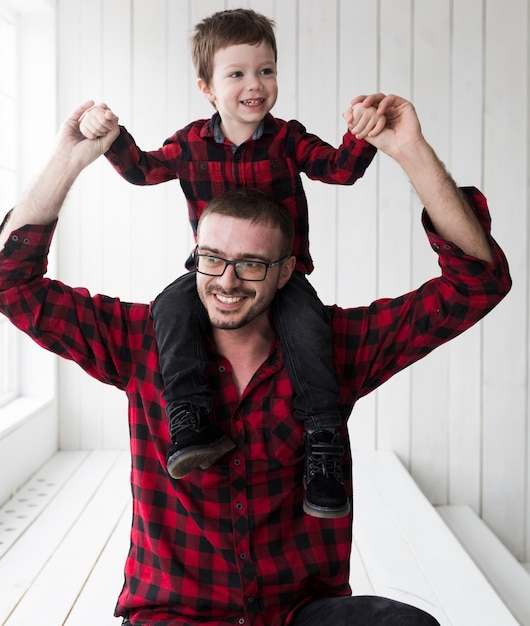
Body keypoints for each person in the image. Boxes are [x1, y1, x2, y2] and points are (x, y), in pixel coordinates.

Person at [0, 92, 511, 625]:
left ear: (286, 272)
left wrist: (412, 152)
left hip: (296, 612)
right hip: (176, 614)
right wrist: (67, 160)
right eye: (212, 259)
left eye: (251, 264)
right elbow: (8, 284)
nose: (227, 281)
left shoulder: (335, 347)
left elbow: (478, 285)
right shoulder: (140, 340)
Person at [77, 8, 387, 519]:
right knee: (170, 312)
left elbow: (340, 170)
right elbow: (143, 171)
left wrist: (364, 130)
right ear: (207, 87)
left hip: (277, 279)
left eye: (266, 70)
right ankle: (191, 417)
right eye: (237, 73)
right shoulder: (191, 143)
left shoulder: (288, 139)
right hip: (210, 277)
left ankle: (323, 443)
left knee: (309, 331)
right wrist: (110, 134)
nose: (255, 84)